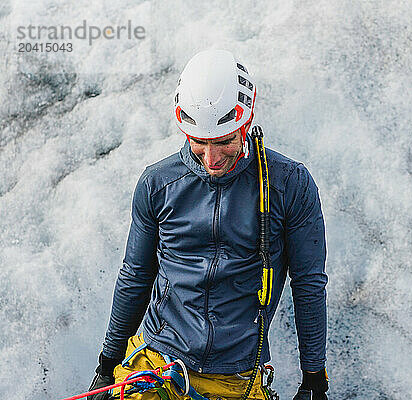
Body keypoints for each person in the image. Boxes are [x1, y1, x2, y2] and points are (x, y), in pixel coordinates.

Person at [87, 49, 329, 400]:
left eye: (225, 141)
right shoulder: (158, 184)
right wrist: (107, 364)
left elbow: (308, 283)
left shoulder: (289, 184)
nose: (212, 159)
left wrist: (314, 380)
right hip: (154, 363)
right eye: (199, 142)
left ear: (245, 123)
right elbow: (136, 275)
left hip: (237, 377)